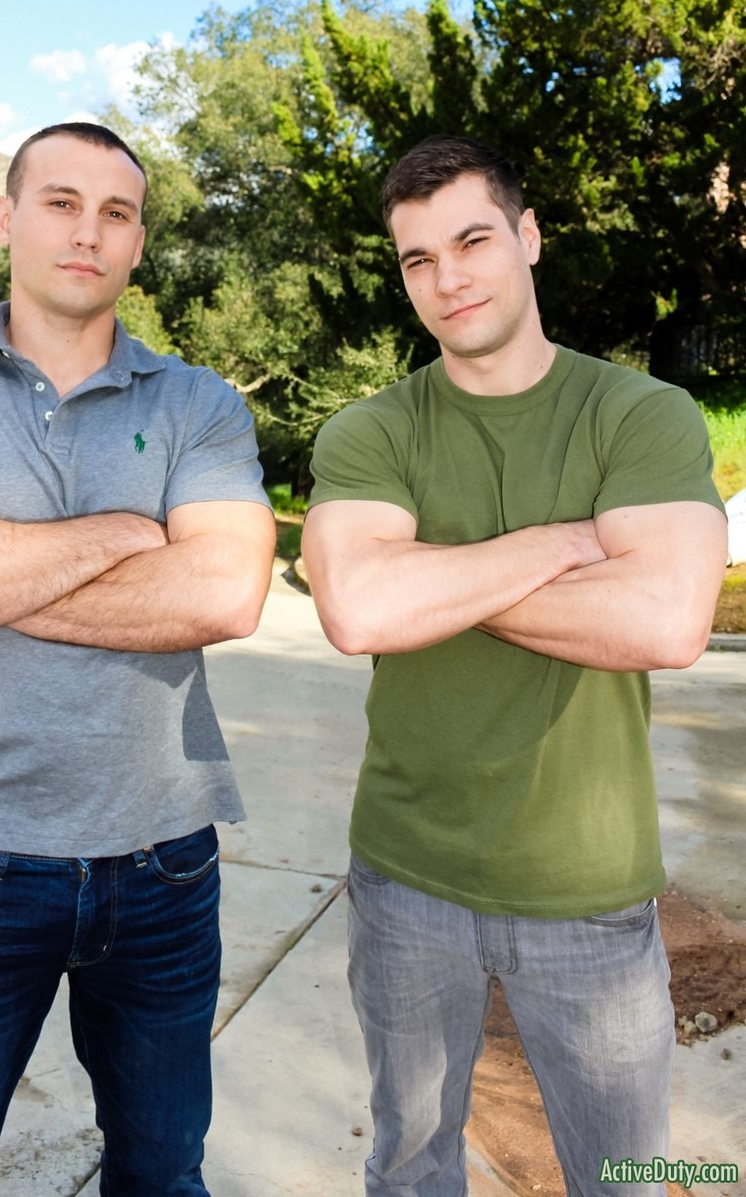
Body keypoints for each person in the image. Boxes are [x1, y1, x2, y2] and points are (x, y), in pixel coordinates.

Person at [0, 121, 275, 1197]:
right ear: (6, 217)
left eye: (116, 213)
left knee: (162, 1175)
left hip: (166, 862)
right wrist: (125, 535)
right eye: (61, 202)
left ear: (137, 243)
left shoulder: (198, 402)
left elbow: (224, 592)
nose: (89, 232)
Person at [301, 134, 727, 1197]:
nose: (448, 278)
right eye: (418, 259)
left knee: (626, 1176)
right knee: (407, 1166)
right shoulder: (371, 431)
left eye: (473, 241)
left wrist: (436, 582)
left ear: (528, 237)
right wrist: (561, 544)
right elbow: (358, 609)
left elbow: (666, 621)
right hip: (404, 880)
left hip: (588, 888)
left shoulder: (637, 413)